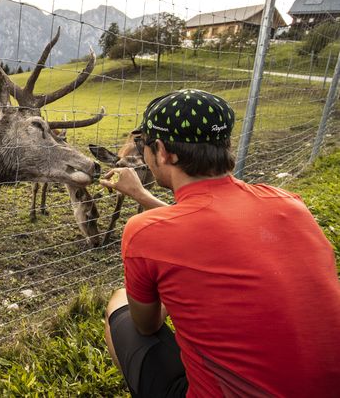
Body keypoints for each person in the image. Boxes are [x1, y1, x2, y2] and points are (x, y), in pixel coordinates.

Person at [98, 89, 340, 397]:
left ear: (162, 151)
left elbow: (147, 325)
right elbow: (216, 225)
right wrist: (142, 196)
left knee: (119, 303)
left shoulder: (145, 231)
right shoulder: (289, 204)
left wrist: (180, 291)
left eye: (144, 143)